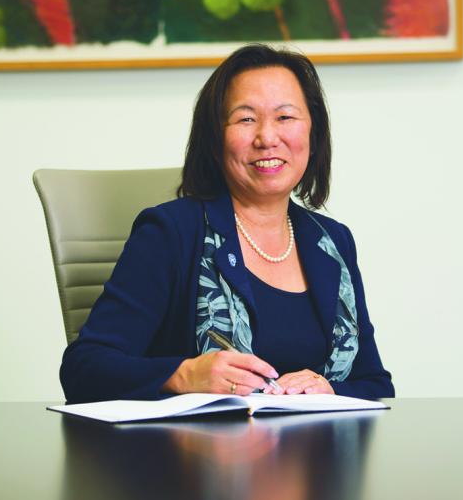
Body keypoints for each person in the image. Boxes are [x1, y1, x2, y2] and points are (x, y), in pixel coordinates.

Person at [60, 44, 394, 403]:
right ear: (216, 139)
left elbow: (375, 385)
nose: (267, 137)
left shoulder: (332, 242)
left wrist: (329, 389)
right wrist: (183, 375)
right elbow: (84, 368)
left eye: (285, 118)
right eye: (246, 119)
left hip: (319, 455)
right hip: (189, 454)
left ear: (312, 136)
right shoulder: (171, 233)